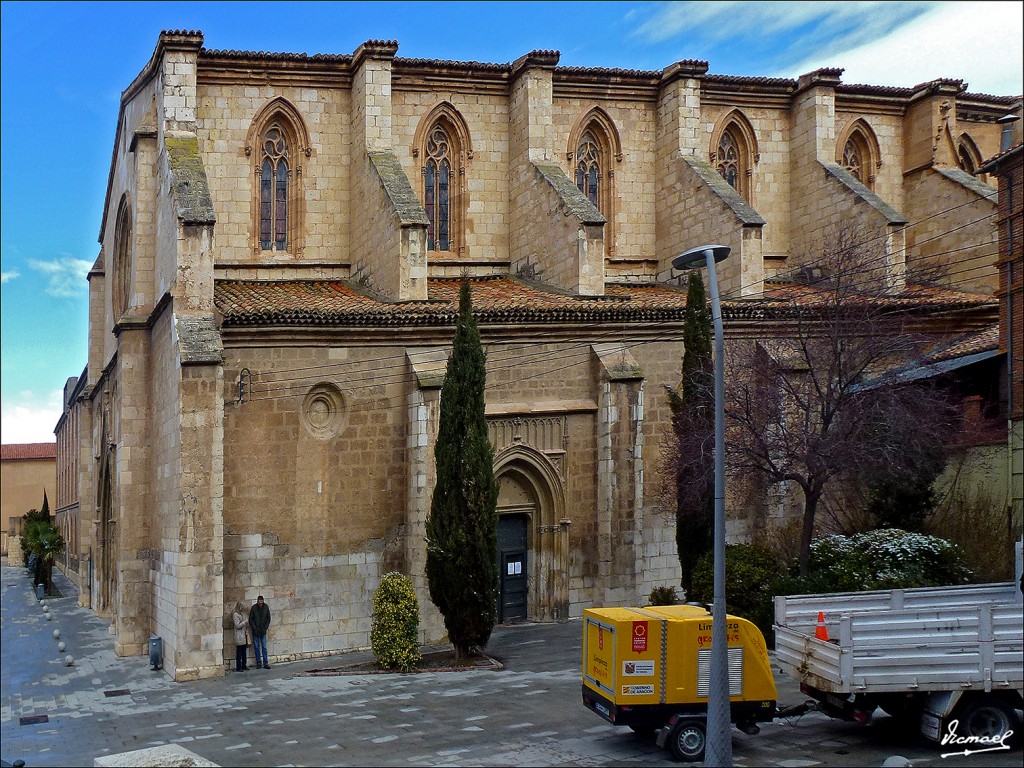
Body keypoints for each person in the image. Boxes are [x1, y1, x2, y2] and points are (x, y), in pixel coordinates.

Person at [248, 594, 272, 669]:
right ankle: (258, 662)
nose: (261, 604)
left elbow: (268, 618)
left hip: (263, 631)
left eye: (262, 603)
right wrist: (254, 628)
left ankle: (265, 663)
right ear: (257, 602)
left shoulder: (266, 607)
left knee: (264, 647)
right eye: (259, 603)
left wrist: (265, 627)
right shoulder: (254, 608)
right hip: (256, 631)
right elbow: (250, 619)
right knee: (257, 647)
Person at [231, 601, 250, 672]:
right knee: (239, 652)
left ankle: (244, 665)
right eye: (242, 607)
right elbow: (237, 625)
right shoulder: (235, 614)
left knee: (244, 651)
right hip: (239, 635)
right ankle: (239, 667)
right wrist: (244, 622)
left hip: (243, 635)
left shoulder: (240, 614)